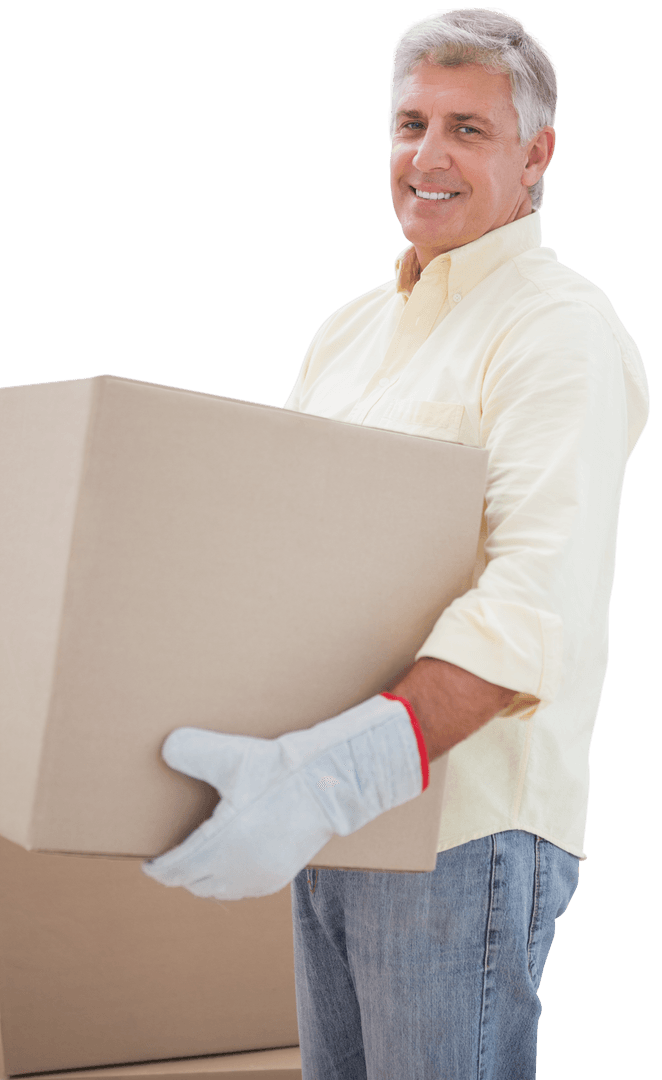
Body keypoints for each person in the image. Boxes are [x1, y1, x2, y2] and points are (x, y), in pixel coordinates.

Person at [143, 8, 649, 1077]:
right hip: (319, 817)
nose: (426, 156)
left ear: (533, 155)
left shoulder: (557, 328)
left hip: (454, 828)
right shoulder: (348, 331)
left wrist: (336, 774)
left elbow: (531, 602)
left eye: (467, 128)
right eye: (409, 121)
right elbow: (275, 554)